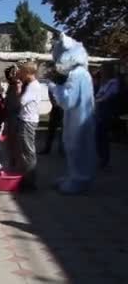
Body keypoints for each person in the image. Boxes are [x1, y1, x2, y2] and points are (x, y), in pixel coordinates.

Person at [47, 34, 96, 194]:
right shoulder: (82, 73)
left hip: (79, 118)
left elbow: (68, 101)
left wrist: (54, 87)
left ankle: (79, 179)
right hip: (77, 116)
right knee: (73, 146)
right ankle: (74, 176)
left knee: (76, 146)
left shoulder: (77, 74)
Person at [16, 62, 41, 189]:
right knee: (26, 150)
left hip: (28, 120)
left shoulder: (33, 86)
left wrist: (19, 89)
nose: (20, 74)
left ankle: (30, 181)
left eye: (22, 72)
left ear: (28, 72)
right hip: (26, 119)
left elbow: (22, 101)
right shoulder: (32, 85)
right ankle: (27, 177)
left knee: (28, 151)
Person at [95, 65, 120, 170]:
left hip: (106, 112)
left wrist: (97, 100)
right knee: (98, 137)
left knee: (103, 137)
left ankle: (105, 161)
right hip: (99, 111)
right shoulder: (103, 83)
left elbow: (108, 96)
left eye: (103, 70)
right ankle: (102, 159)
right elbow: (99, 95)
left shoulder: (113, 82)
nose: (101, 72)